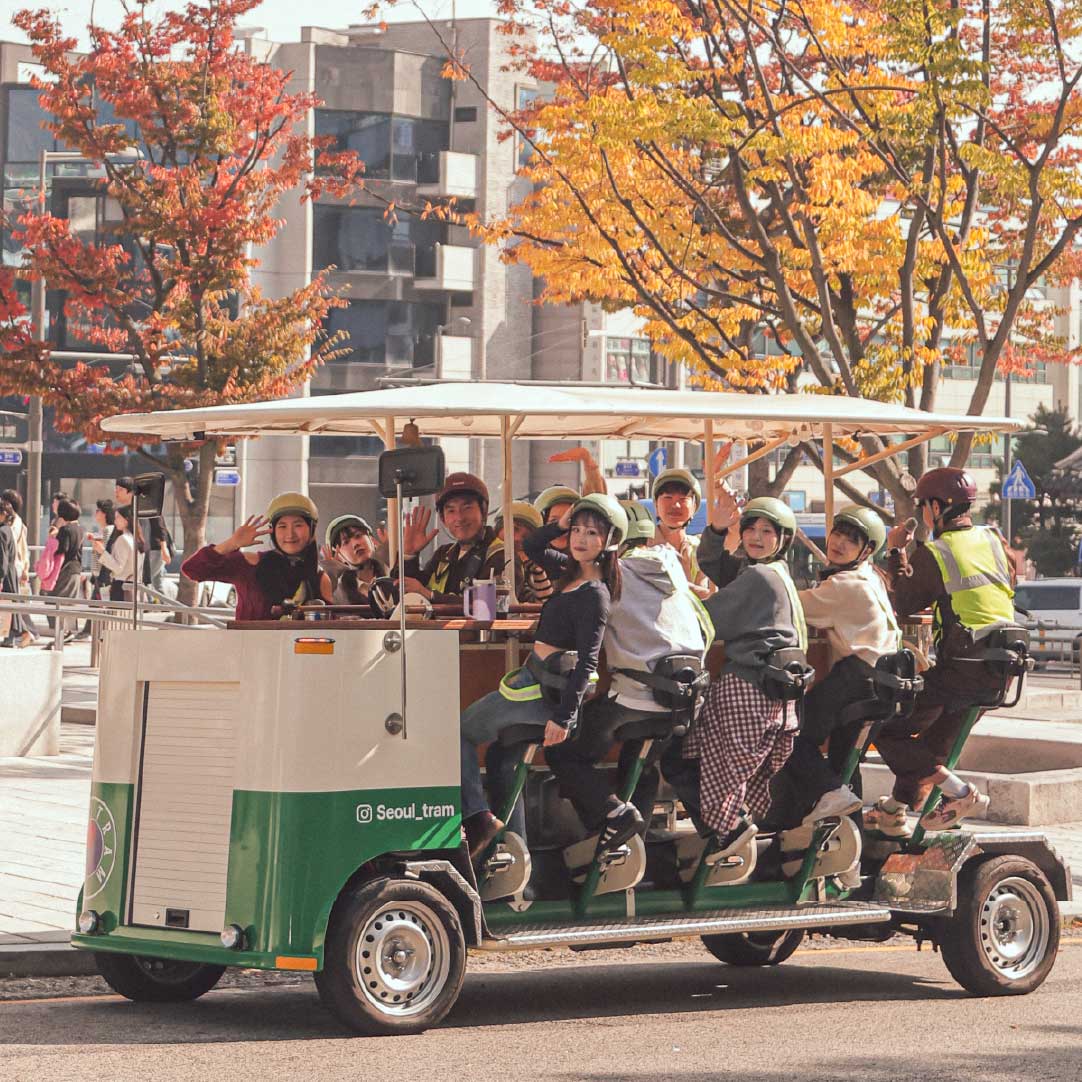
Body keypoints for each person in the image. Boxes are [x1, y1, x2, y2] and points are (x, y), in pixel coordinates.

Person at [458, 494, 626, 862]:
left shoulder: (594, 595)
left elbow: (587, 662)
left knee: (459, 733)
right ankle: (516, 857)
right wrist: (561, 526)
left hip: (539, 694)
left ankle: (476, 817)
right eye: (578, 530)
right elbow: (531, 544)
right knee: (504, 760)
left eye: (592, 533)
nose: (580, 538)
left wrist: (564, 719)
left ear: (610, 541)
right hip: (533, 682)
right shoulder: (569, 571)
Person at [545, 509, 711, 852]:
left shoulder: (608, 577)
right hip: (685, 700)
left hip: (636, 697)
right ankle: (631, 843)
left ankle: (614, 819)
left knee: (564, 752)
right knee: (643, 758)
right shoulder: (674, 572)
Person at [866, 468, 1016, 837]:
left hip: (964, 667)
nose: (923, 513)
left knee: (887, 729)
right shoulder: (994, 540)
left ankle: (962, 794)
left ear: (937, 507)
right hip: (1003, 663)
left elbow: (902, 600)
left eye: (923, 506)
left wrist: (897, 550)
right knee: (932, 749)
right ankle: (895, 812)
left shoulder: (939, 552)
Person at [767, 505, 901, 827]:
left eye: (851, 540)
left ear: (866, 550)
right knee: (844, 764)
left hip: (855, 677)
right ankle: (851, 852)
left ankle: (827, 794)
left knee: (787, 736)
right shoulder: (871, 577)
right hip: (884, 681)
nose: (838, 543)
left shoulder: (844, 586)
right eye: (837, 534)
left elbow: (787, 604)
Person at [692, 493, 807, 856]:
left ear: (783, 539)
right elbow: (714, 563)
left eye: (767, 531)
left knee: (701, 759)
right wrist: (715, 528)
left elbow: (706, 618)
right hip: (777, 697)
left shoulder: (758, 576)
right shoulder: (773, 572)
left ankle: (727, 831)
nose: (756, 537)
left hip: (747, 689)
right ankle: (731, 829)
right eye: (750, 529)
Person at [181, 493, 333, 620]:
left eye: (298, 525)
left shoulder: (319, 577)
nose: (290, 534)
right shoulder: (250, 563)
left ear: (312, 529)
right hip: (248, 653)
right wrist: (231, 543)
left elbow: (331, 628)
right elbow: (192, 569)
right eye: (282, 526)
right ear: (272, 530)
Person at [399, 473, 510, 606]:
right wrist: (408, 556)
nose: (459, 517)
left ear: (484, 510)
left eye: (467, 508)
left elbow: (490, 605)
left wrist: (430, 595)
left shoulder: (502, 555)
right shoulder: (443, 555)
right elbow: (402, 595)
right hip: (432, 627)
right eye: (451, 510)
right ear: (442, 518)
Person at [650, 468, 713, 599]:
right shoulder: (642, 547)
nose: (676, 505)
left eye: (683, 499)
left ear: (694, 506)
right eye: (668, 497)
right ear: (656, 504)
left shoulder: (701, 548)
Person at [116, 476, 173, 592]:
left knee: (145, 581)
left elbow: (159, 524)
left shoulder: (145, 504)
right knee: (157, 584)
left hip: (154, 549)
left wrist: (164, 548)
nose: (116, 492)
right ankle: (162, 608)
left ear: (131, 492)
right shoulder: (128, 508)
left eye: (120, 489)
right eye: (115, 489)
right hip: (145, 549)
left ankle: (149, 607)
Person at [494, 500, 553, 603]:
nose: (517, 538)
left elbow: (545, 604)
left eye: (526, 537)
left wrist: (536, 569)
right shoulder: (485, 557)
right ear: (499, 528)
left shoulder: (525, 570)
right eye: (514, 529)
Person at [321, 514, 386, 605]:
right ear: (339, 555)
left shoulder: (391, 573)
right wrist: (330, 577)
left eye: (358, 536)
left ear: (371, 539)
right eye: (346, 542)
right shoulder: (338, 593)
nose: (355, 544)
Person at [1, 488, 37, 647]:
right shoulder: (13, 525)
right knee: (12, 605)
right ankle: (16, 634)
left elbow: (6, 553)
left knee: (11, 605)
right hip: (14, 568)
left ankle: (24, 632)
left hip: (9, 569)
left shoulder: (8, 528)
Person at [47, 498, 85, 641]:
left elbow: (62, 549)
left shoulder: (66, 529)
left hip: (65, 570)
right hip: (76, 569)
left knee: (55, 600)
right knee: (70, 601)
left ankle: (61, 633)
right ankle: (68, 631)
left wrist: (54, 537)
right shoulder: (80, 529)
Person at [91, 503, 143, 601]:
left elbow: (118, 567)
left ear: (127, 520)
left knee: (117, 614)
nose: (115, 521)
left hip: (121, 586)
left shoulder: (123, 539)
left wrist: (102, 551)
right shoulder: (136, 539)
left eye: (118, 517)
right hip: (134, 585)